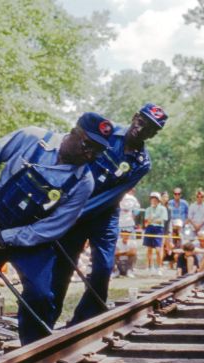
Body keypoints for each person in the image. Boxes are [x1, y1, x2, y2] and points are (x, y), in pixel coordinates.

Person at [0, 112, 109, 363]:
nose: (90, 156)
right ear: (74, 132)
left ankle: (34, 362)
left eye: (97, 152)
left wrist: (1, 239)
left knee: (40, 296)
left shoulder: (83, 182)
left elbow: (52, 227)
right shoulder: (32, 138)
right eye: (88, 146)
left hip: (33, 239)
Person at [51, 104, 168, 327]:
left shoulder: (142, 163)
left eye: (150, 128)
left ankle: (85, 321)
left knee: (103, 267)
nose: (142, 129)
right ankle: (46, 321)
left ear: (154, 134)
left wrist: (80, 213)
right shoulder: (107, 134)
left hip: (105, 214)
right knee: (63, 267)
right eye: (142, 121)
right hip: (75, 207)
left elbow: (114, 194)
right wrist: (68, 209)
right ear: (135, 117)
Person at [144, 192, 168, 275]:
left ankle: (159, 267)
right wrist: (153, 219)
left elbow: (162, 220)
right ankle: (150, 266)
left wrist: (152, 219)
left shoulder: (163, 209)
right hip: (150, 228)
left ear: (158, 200)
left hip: (158, 229)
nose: (153, 201)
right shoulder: (148, 209)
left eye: (155, 199)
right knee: (149, 249)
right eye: (152, 199)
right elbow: (146, 221)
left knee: (158, 249)